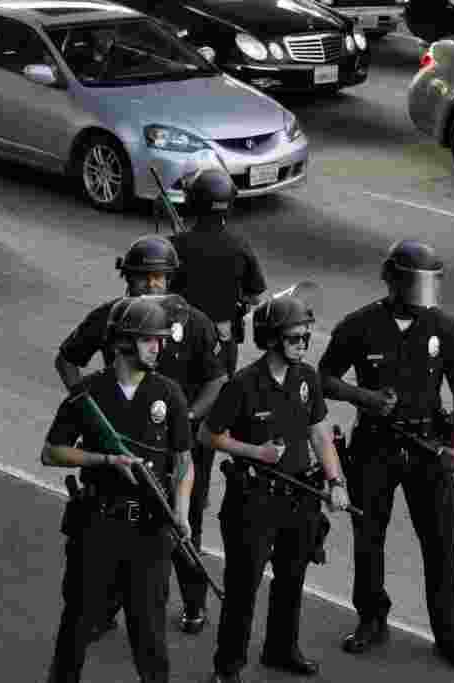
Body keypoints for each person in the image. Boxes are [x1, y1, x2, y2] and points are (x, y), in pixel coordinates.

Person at [54, 234, 227, 636]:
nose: (152, 284)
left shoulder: (194, 322)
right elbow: (66, 360)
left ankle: (194, 604)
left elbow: (217, 379)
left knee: (183, 526)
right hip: (121, 448)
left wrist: (187, 419)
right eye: (143, 276)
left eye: (160, 276)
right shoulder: (109, 318)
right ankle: (107, 609)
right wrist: (88, 409)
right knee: (117, 533)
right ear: (127, 278)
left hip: (177, 449)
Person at [318, 240, 454, 671]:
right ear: (392, 280)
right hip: (375, 446)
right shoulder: (360, 325)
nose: (423, 292)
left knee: (440, 544)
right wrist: (363, 397)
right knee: (369, 540)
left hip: (428, 448)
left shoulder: (445, 327)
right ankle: (371, 619)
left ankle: (450, 635)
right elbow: (324, 378)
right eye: (415, 283)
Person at [42, 296, 194, 683]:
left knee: (150, 636)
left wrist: (181, 511)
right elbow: (52, 452)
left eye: (160, 340)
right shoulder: (88, 392)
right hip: (97, 526)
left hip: (150, 532)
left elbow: (183, 461)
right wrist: (106, 460)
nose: (158, 347)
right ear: (124, 341)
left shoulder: (169, 393)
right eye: (149, 339)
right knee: (77, 625)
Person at [204, 296, 351, 683]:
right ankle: (228, 667)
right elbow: (209, 434)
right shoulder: (243, 384)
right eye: (295, 338)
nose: (303, 344)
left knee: (291, 580)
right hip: (253, 501)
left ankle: (281, 650)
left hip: (300, 497)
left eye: (306, 337)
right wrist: (257, 452)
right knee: (243, 588)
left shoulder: (307, 379)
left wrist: (336, 481)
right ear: (271, 339)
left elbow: (320, 433)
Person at [169, 167, 268, 379]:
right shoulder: (240, 245)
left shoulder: (175, 245)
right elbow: (255, 296)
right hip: (223, 341)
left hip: (182, 339)